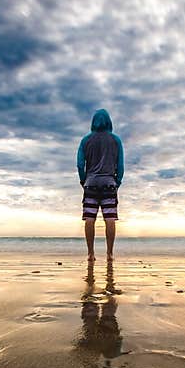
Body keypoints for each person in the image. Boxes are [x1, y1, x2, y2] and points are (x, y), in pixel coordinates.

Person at [76, 109, 124, 262]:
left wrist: (84, 180)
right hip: (109, 183)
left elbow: (79, 164)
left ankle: (90, 254)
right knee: (109, 219)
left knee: (90, 218)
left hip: (90, 183)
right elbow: (120, 165)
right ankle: (109, 254)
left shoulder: (86, 140)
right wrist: (118, 181)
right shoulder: (116, 140)